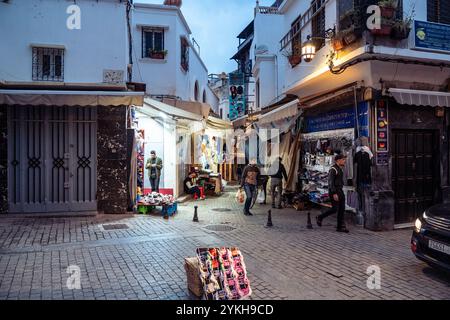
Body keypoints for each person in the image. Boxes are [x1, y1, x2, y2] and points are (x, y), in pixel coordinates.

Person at [316, 154, 349, 233]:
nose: (344, 161)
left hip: (340, 191)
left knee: (342, 209)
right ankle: (320, 217)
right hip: (334, 191)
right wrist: (334, 193)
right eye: (343, 159)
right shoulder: (333, 169)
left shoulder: (340, 169)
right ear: (338, 160)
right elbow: (330, 182)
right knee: (335, 209)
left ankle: (339, 227)